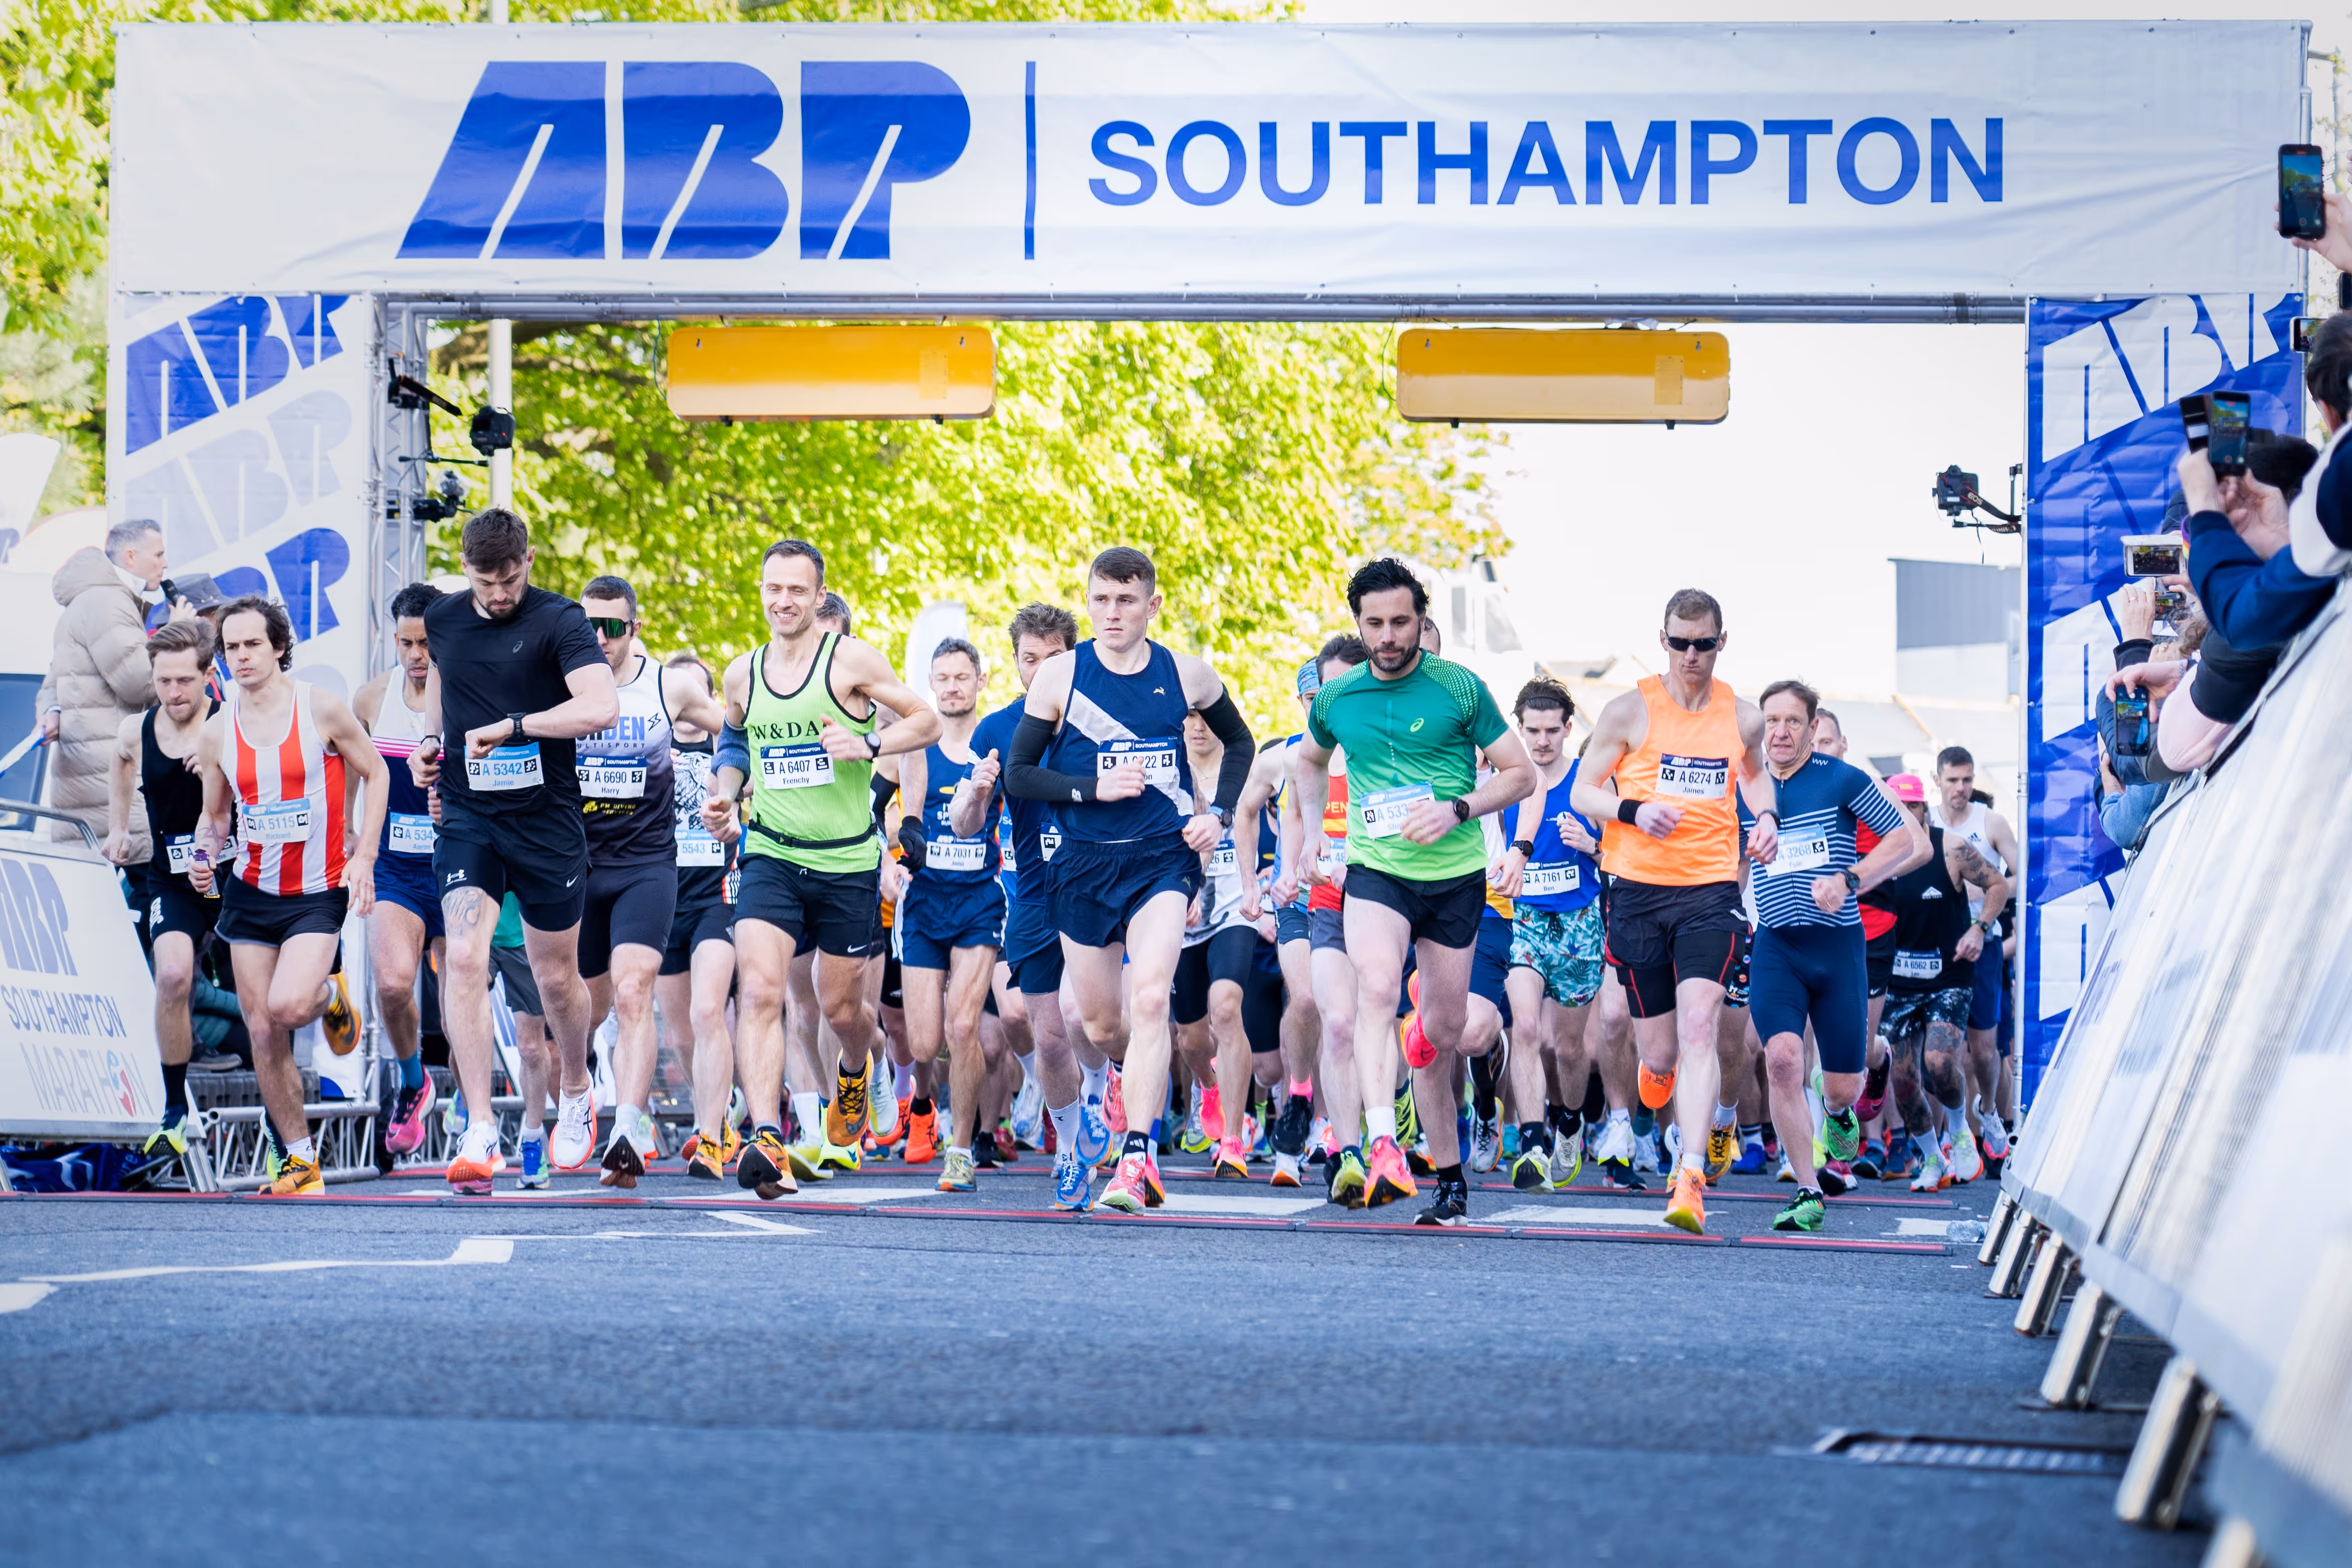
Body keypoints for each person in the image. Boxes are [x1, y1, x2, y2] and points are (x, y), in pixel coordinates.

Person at [1280, 558, 1535, 1224]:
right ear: (1358, 624)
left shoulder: (1459, 688)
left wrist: (1458, 808)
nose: (1388, 636)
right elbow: (1307, 760)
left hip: (1453, 878)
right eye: (1375, 624)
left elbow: (1521, 774)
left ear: (1421, 621)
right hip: (1376, 871)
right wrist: (1313, 834)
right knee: (1374, 988)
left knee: (1443, 1033)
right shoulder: (1338, 697)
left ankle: (1445, 1160)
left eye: (1400, 622)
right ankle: (1383, 1145)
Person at [1004, 546, 1257, 1215]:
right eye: (1101, 600)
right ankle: (1121, 1070)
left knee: (1149, 1001)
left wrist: (1218, 816)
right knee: (1097, 1021)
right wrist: (1093, 788)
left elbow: (1240, 743)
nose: (1112, 613)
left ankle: (1137, 1157)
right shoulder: (1060, 676)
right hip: (1082, 866)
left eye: (1126, 600)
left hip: (1161, 862)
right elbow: (1020, 775)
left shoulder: (1186, 673)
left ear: (1152, 604)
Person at [700, 540, 939, 1201]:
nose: (783, 601)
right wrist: (726, 794)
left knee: (841, 1009)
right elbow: (734, 737)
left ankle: (860, 1067)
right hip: (771, 853)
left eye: (797, 590)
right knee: (760, 991)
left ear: (818, 595)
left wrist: (867, 742)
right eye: (773, 588)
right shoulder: (742, 672)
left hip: (847, 862)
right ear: (761, 590)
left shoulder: (850, 661)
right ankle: (767, 1137)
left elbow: (924, 721)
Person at [408, 508, 620, 1195]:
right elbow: (444, 681)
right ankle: (478, 1125)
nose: (498, 594)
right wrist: (430, 743)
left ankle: (576, 1084)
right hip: (471, 816)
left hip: (547, 820)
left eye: (508, 578)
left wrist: (515, 726)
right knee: (465, 957)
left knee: (556, 979)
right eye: (484, 581)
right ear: (464, 569)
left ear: (528, 559)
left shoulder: (561, 621)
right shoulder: (443, 619)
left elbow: (601, 707)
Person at [1571, 588, 1779, 1236]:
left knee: (1699, 1027)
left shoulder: (1742, 717)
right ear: (1662, 641)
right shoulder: (1628, 710)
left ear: (1722, 642)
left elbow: (1754, 776)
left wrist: (1766, 817)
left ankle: (1689, 1174)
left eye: (1703, 643)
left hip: (1709, 891)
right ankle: (1655, 1079)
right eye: (1680, 643)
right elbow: (1582, 791)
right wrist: (1633, 811)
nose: (1691, 655)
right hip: (1636, 890)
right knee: (1659, 1055)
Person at [186, 596, 387, 1196]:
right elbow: (215, 817)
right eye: (231, 647)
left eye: (253, 644)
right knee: (263, 1030)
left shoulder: (319, 708)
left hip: (317, 890)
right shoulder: (217, 730)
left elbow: (376, 772)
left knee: (290, 1006)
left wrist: (364, 857)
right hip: (251, 891)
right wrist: (203, 856)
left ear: (278, 647)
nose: (242, 656)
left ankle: (329, 996)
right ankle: (301, 1161)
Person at [1741, 680, 1920, 1231]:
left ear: (1813, 726)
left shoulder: (1841, 778)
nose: (1780, 732)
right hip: (1776, 944)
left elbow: (1903, 840)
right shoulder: (1747, 785)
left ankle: (1842, 1105)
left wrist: (1849, 879)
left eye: (1793, 721)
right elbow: (1729, 860)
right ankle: (1807, 1188)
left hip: (1838, 946)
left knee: (1841, 1085)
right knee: (1782, 1059)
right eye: (1772, 721)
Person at [572, 575, 729, 1187]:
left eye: (612, 627)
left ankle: (626, 1129)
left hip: (647, 865)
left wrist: (729, 793)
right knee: (584, 1009)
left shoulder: (669, 686)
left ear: (634, 628)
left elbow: (734, 736)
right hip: (580, 868)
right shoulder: (559, 683)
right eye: (588, 626)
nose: (599, 638)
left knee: (635, 991)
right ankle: (577, 1082)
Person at [970, 603, 1113, 1211]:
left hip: (1098, 887)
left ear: (1073, 659)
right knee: (1049, 1039)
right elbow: (967, 823)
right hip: (1032, 894)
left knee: (1087, 1019)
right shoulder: (997, 729)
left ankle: (1101, 1088)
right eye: (1029, 659)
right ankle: (1072, 1150)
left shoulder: (1102, 717)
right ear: (1015, 662)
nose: (1040, 670)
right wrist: (975, 795)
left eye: (1053, 658)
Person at [1234, 641, 1358, 1188]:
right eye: (1311, 698)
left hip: (1358, 895)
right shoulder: (1285, 756)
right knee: (1305, 999)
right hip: (1302, 899)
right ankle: (1300, 1094)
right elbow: (1245, 812)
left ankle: (1330, 1124)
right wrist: (1259, 881)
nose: (1320, 707)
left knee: (1340, 1013)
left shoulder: (1372, 749)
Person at [895, 637, 1009, 1194]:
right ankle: (926, 1107)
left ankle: (960, 1150)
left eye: (962, 677)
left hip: (978, 900)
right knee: (924, 1043)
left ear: (980, 681)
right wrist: (890, 858)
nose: (952, 687)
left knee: (964, 1027)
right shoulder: (916, 744)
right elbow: (883, 811)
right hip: (923, 903)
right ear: (931, 684)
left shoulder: (995, 746)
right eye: (942, 678)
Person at [105, 618, 221, 1157]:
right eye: (164, 681)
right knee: (172, 975)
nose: (174, 693)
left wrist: (222, 767)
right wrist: (118, 827)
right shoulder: (139, 729)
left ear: (208, 676)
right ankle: (174, 1110)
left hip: (236, 876)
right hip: (173, 879)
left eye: (185, 681)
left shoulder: (230, 724)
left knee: (268, 1000)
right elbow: (120, 758)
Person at [1493, 678, 1606, 1191]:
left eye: (1551, 731)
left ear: (1568, 729)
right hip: (1525, 921)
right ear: (1519, 729)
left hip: (1579, 924)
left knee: (1569, 1048)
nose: (1541, 741)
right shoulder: (1508, 781)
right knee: (1525, 1029)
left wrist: (1592, 845)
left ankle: (1571, 1121)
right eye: (1532, 730)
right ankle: (1532, 1143)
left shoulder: (1590, 781)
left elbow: (1626, 859)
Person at [1877, 775, 2009, 1192]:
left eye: (1913, 807)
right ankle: (1931, 1157)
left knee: (1938, 1062)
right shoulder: (1875, 856)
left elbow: (1997, 883)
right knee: (1902, 1080)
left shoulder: (1950, 847)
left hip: (1949, 976)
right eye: (1897, 808)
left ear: (1925, 809)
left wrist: (1979, 929)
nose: (1905, 815)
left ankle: (1959, 1130)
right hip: (1898, 980)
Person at [352, 583, 444, 1157]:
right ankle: (414, 1082)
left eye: (426, 644)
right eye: (406, 643)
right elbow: (350, 766)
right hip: (396, 868)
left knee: (461, 996)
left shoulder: (465, 695)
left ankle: (474, 1113)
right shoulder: (370, 700)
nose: (416, 655)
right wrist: (351, 837)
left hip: (459, 863)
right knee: (391, 984)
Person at [40, 518, 187, 860]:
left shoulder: (86, 601)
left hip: (84, 781)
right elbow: (140, 684)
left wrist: (52, 710)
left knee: (102, 887)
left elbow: (52, 682)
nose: (165, 564)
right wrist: (176, 634)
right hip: (114, 780)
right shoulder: (109, 602)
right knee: (153, 880)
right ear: (131, 557)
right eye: (159, 554)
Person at [661, 654, 744, 1182]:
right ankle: (717, 1108)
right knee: (680, 1035)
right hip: (662, 897)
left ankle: (710, 1133)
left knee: (708, 1010)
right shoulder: (650, 744)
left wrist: (734, 809)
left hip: (718, 895)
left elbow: (753, 792)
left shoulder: (727, 748)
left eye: (698, 691)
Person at [1928, 745, 2019, 1175]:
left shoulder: (1990, 822)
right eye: (1952, 780)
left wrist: (1983, 888)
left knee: (1984, 1052)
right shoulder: (1925, 822)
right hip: (1937, 948)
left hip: (1983, 943)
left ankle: (1989, 1112)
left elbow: (2022, 875)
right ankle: (1952, 1135)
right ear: (1937, 781)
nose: (1960, 788)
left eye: (1966, 780)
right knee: (1940, 1051)